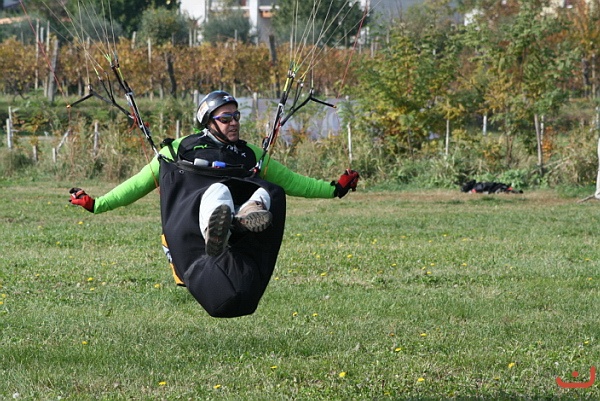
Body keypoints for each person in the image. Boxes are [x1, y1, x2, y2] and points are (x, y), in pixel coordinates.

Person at [69, 90, 359, 317]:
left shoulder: (249, 154)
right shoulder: (179, 149)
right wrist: (98, 203)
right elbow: (138, 183)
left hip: (240, 231)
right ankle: (217, 229)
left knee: (268, 190)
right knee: (218, 189)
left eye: (236, 116)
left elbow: (293, 181)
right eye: (226, 118)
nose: (234, 123)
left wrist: (334, 189)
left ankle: (241, 219)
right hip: (194, 224)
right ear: (208, 121)